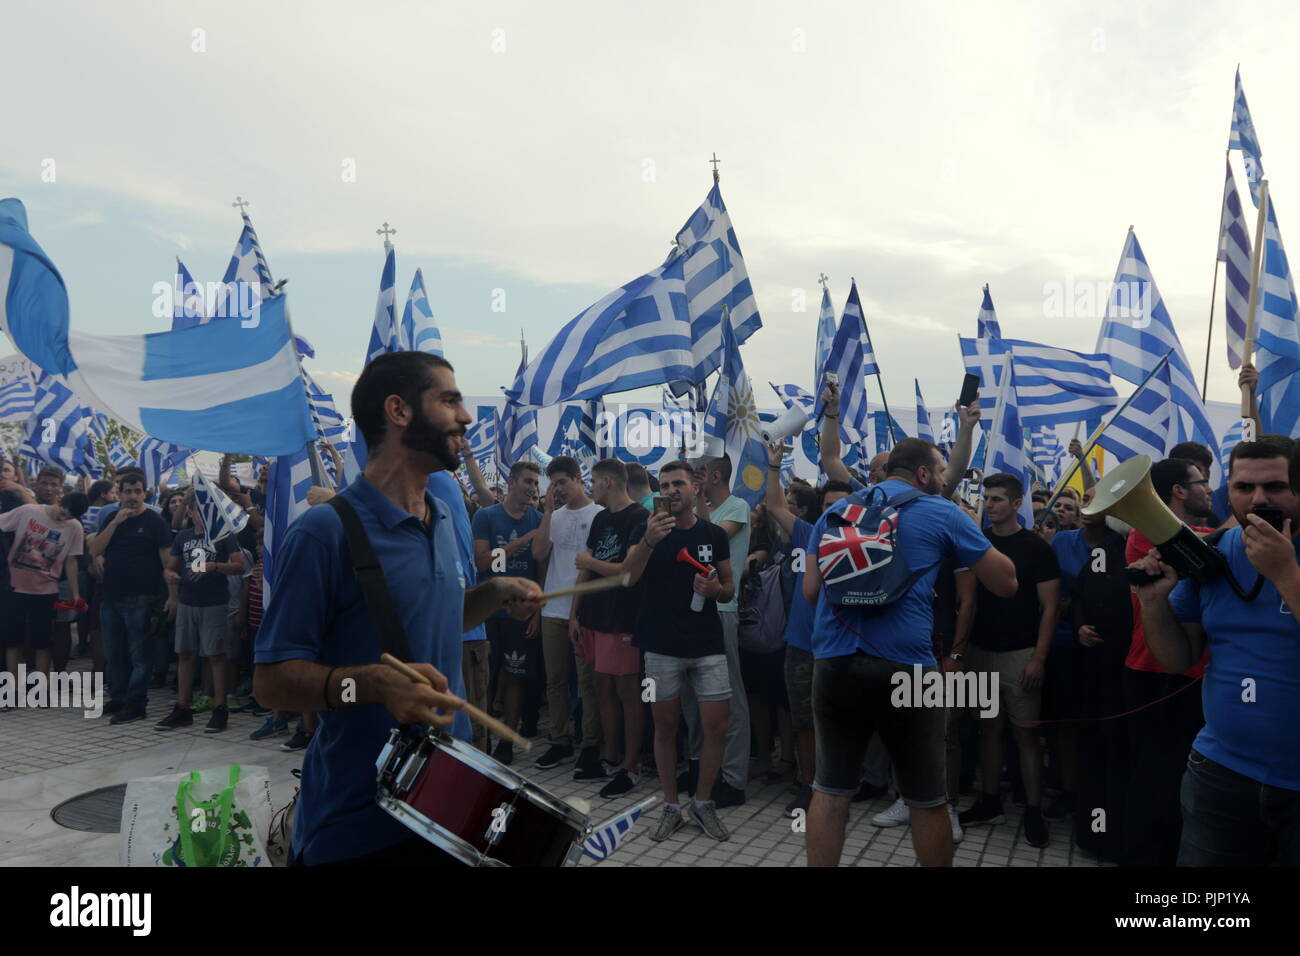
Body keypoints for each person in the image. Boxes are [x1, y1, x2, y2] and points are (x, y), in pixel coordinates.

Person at [254, 351, 544, 867]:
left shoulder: (447, 518)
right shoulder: (325, 533)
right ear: (399, 411)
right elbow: (271, 680)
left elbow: (428, 621)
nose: (466, 416)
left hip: (447, 803)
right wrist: (373, 684)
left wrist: (493, 592)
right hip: (356, 823)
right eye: (449, 399)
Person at [803, 438, 1016, 867]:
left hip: (835, 663)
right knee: (927, 797)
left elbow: (810, 592)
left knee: (829, 790)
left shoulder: (836, 511)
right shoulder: (943, 512)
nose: (943, 479)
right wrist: (968, 526)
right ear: (923, 474)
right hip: (909, 670)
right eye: (940, 472)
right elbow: (1006, 583)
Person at [1133, 434, 1300, 866]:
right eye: (1244, 487)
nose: (1258, 498)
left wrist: (1285, 573)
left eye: (1275, 487)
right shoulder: (1210, 557)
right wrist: (1153, 604)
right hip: (1220, 772)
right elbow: (1179, 658)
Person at [622, 460, 735, 843]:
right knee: (666, 726)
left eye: (678, 484)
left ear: (694, 490)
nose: (670, 491)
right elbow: (628, 577)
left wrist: (716, 591)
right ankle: (671, 806)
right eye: (664, 485)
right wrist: (649, 541)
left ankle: (703, 803)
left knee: (717, 725)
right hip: (659, 647)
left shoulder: (714, 534)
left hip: (707, 646)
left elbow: (731, 588)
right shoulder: (647, 529)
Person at [1119, 457, 1213, 866]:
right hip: (1154, 671)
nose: (1209, 490)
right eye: (1202, 482)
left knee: (1178, 775)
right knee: (1157, 775)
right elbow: (1201, 544)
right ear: (1179, 490)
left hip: (1190, 672)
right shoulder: (1147, 534)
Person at [959, 472, 1060, 848]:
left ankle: (1033, 810)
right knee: (988, 731)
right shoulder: (978, 543)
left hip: (1020, 654)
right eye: (988, 498)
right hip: (980, 651)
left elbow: (1050, 609)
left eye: (999, 499)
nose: (991, 505)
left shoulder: (1037, 549)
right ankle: (989, 801)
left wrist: (1039, 658)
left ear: (1018, 504)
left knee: (1026, 735)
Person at [571, 458, 648, 798]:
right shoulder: (601, 517)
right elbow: (583, 570)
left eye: (595, 481)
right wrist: (574, 614)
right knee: (602, 685)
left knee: (628, 692)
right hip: (593, 616)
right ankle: (609, 755)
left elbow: (627, 573)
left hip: (622, 618)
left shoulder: (639, 518)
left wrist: (589, 562)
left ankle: (631, 766)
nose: (591, 486)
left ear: (610, 482)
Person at [682, 454, 751, 807]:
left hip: (722, 609)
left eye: (698, 475)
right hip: (694, 612)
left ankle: (734, 778)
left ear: (714, 475)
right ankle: (699, 767)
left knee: (730, 699)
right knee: (693, 697)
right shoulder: (704, 508)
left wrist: (694, 498)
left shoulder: (737, 507)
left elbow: (706, 540)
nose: (694, 480)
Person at [760, 442, 823, 816]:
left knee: (836, 722)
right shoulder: (810, 534)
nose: (835, 511)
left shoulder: (865, 540)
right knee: (803, 721)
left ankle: (836, 785)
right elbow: (775, 507)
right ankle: (808, 783)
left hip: (841, 647)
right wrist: (774, 465)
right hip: (801, 644)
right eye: (829, 504)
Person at [532, 456, 603, 775]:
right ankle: (559, 741)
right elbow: (538, 553)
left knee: (588, 682)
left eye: (562, 481)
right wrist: (547, 510)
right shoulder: (554, 516)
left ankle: (591, 744)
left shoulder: (599, 514)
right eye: (553, 482)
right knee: (555, 680)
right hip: (553, 610)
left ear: (578, 479)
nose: (556, 488)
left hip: (585, 612)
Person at [154, 490, 246, 732]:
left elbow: (240, 566)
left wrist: (214, 565)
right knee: (185, 654)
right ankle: (182, 708)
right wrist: (170, 575)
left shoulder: (224, 535)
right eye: (199, 510)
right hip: (187, 601)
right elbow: (170, 567)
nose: (203, 515)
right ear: (191, 512)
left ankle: (220, 708)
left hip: (214, 602)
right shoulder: (183, 536)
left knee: (215, 656)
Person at [471, 460, 543, 764]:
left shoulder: (539, 519)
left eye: (535, 483)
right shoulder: (486, 516)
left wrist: (537, 613)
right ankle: (481, 739)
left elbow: (541, 570)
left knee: (515, 677)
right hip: (486, 612)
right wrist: (523, 540)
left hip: (520, 615)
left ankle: (506, 742)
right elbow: (484, 562)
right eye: (527, 481)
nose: (532, 488)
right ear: (511, 482)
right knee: (483, 679)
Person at [89, 470, 174, 725]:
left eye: (138, 491)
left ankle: (136, 703)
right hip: (112, 596)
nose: (133, 496)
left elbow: (167, 560)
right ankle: (118, 696)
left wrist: (172, 596)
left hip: (142, 598)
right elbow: (94, 550)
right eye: (128, 491)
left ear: (145, 492)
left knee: (139, 654)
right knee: (114, 653)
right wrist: (115, 523)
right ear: (120, 493)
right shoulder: (112, 518)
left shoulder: (155, 521)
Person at [0, 491, 87, 690]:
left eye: (69, 517)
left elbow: (71, 561)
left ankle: (41, 689)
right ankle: (11, 691)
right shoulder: (28, 511)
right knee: (12, 641)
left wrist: (75, 594)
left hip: (46, 591)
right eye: (63, 512)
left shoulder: (74, 527)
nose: (63, 518)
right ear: (59, 500)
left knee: (43, 642)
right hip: (14, 587)